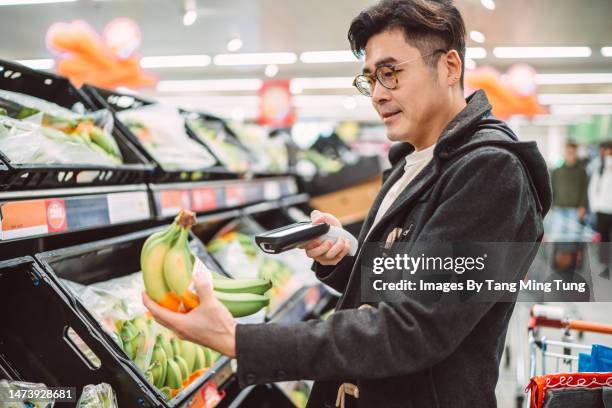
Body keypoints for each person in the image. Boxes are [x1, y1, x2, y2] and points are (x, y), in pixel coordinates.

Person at [143, 1, 552, 406]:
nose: (376, 94)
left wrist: (239, 340)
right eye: (370, 79)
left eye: (390, 74)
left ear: (449, 66)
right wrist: (348, 259)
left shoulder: (491, 172)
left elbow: (411, 328)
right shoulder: (413, 161)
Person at [549, 142, 588, 238]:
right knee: (557, 235)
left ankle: (570, 253)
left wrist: (583, 206)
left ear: (575, 153)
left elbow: (585, 190)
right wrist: (550, 206)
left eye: (572, 151)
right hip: (558, 208)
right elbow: (551, 190)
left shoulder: (581, 172)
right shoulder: (556, 171)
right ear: (564, 152)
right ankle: (558, 253)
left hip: (574, 209)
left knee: (572, 237)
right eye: (568, 151)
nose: (570, 153)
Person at [588, 141, 612, 274]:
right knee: (604, 239)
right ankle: (605, 265)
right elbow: (593, 188)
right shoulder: (599, 167)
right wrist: (595, 206)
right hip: (602, 210)